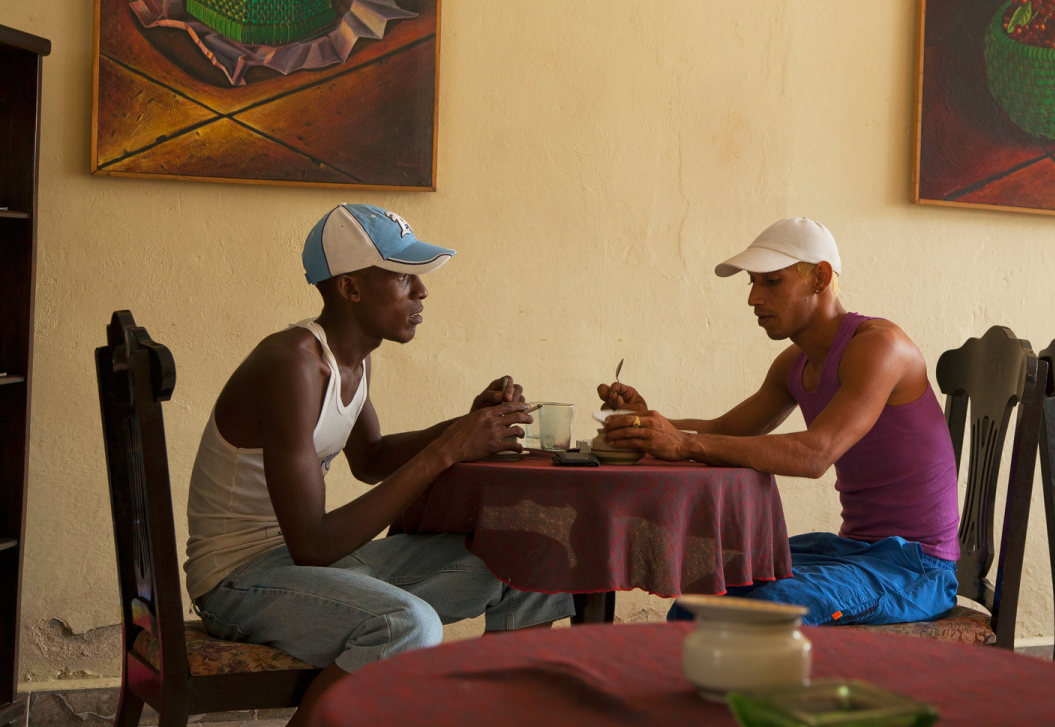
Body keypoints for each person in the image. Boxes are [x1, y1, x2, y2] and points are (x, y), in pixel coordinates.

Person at [184, 203, 572, 726]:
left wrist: (466, 423)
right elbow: (313, 545)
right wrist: (449, 448)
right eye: (403, 277)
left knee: (532, 558)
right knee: (406, 625)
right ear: (350, 288)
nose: (422, 292)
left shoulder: (351, 358)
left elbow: (370, 459)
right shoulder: (292, 364)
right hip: (238, 581)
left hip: (304, 572)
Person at [597, 217, 959, 626]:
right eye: (751, 283)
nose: (753, 298)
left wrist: (682, 444)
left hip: (915, 567)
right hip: (847, 550)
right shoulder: (795, 363)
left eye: (771, 282)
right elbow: (725, 431)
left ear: (820, 278)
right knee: (698, 598)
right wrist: (646, 423)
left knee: (763, 615)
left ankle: (768, 691)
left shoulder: (880, 347)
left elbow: (814, 454)